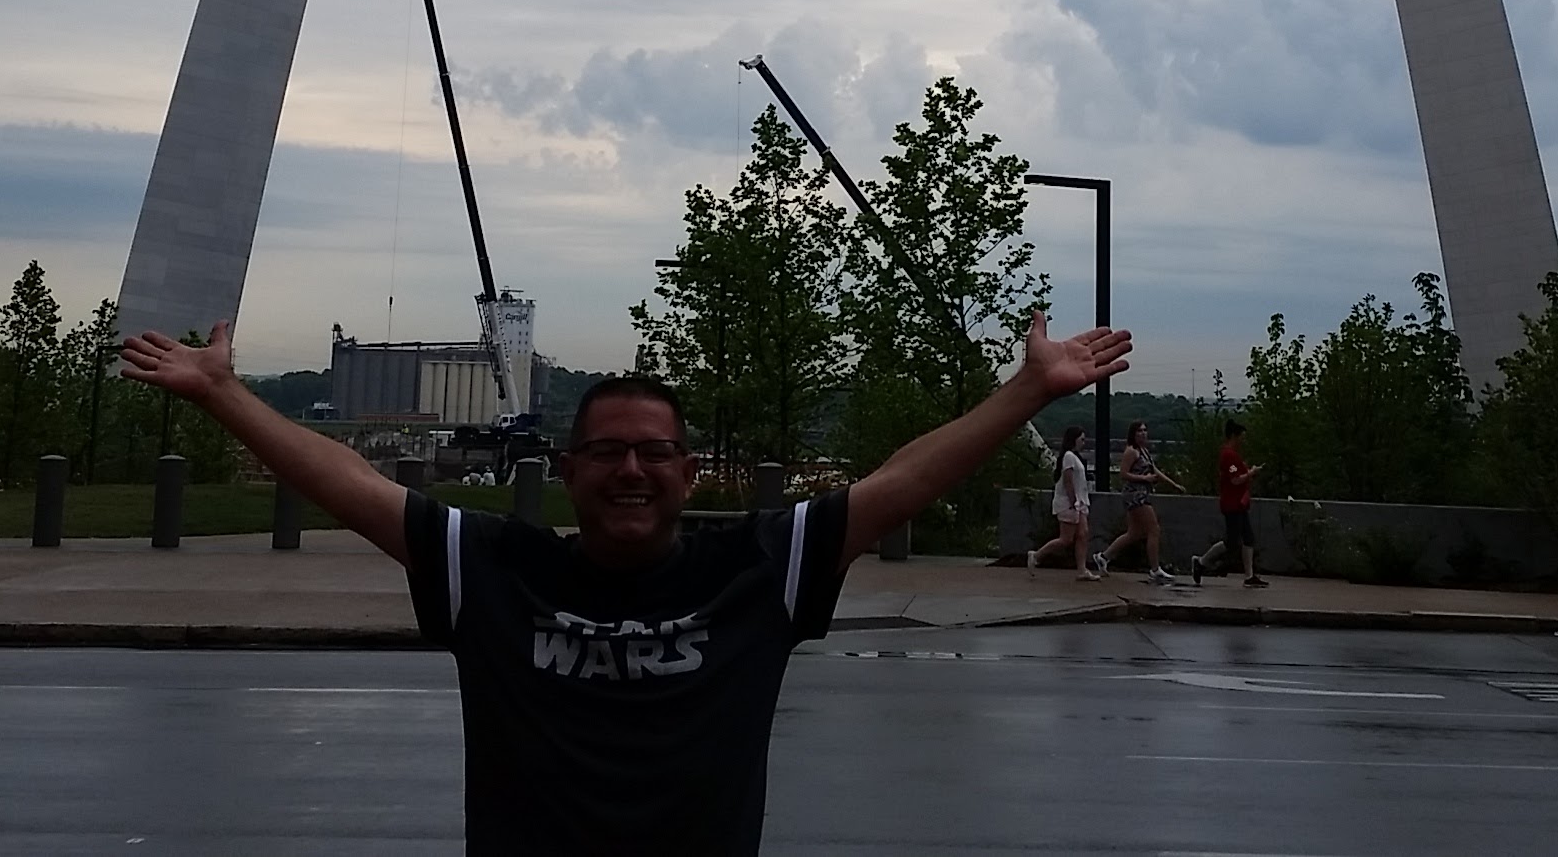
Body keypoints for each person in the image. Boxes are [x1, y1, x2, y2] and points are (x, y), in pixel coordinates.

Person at [119, 308, 1132, 855]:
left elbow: (902, 481)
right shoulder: (495, 570)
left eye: (654, 453)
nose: (632, 470)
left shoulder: (757, 569)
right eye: (606, 452)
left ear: (688, 473)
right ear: (569, 471)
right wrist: (223, 394)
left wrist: (1026, 390)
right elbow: (348, 482)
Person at [1098, 419, 1176, 586]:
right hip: (1135, 495)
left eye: (1145, 430)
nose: (1143, 433)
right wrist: (1144, 478)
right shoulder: (1131, 451)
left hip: (1142, 493)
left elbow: (1155, 470)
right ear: (1133, 434)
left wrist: (1173, 484)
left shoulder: (1144, 451)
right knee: (1153, 529)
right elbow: (1123, 474)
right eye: (1139, 431)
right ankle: (1155, 569)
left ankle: (1104, 556)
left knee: (1134, 533)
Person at [1195, 416, 1266, 588]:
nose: (1244, 440)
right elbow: (1235, 479)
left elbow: (1236, 474)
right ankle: (1202, 562)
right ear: (1234, 436)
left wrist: (1247, 472)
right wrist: (1251, 473)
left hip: (1239, 503)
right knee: (1232, 541)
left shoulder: (1232, 456)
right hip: (1232, 504)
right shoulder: (1228, 456)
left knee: (1248, 538)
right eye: (1242, 436)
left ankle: (1249, 576)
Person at [1034, 424, 1097, 579]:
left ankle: (1082, 569)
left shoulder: (1075, 457)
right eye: (1081, 439)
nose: (1083, 443)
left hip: (1080, 502)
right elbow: (1068, 480)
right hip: (1070, 502)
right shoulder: (1069, 457)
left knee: (1083, 534)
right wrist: (1072, 500)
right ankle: (1036, 555)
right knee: (1066, 539)